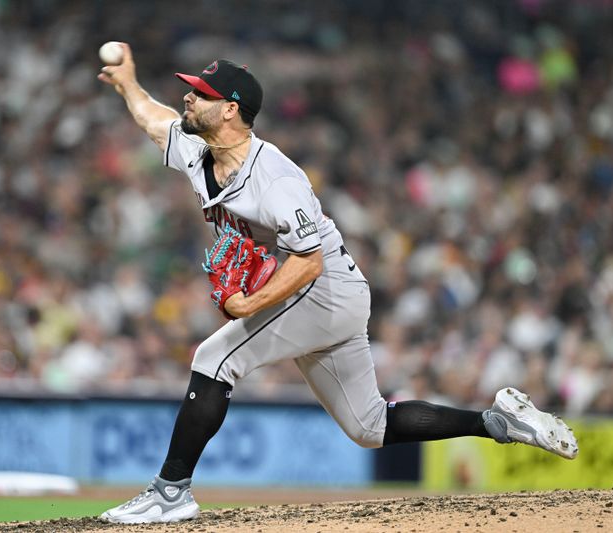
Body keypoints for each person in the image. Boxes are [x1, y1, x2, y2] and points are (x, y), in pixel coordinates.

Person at [96, 43, 578, 524]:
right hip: (330, 294)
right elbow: (153, 120)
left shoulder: (277, 181)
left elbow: (308, 262)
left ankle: (171, 490)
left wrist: (251, 305)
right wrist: (128, 83)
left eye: (200, 94)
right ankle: (497, 422)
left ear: (230, 109)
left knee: (214, 358)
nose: (188, 99)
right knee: (368, 425)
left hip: (319, 287)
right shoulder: (198, 150)